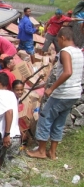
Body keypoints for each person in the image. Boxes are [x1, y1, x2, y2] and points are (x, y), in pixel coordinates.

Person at [27, 27, 84, 160]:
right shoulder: (79, 52)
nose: (57, 43)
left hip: (63, 93)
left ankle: (41, 151)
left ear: (63, 38)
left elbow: (68, 72)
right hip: (74, 93)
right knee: (59, 121)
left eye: (58, 40)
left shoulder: (65, 52)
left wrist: (51, 88)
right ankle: (52, 153)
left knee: (45, 118)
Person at [0, 73, 21, 161]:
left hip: (6, 137)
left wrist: (7, 134)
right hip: (16, 137)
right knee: (8, 168)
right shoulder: (11, 94)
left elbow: (9, 112)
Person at [12, 80, 28, 147]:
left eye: (21, 90)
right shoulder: (12, 100)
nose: (20, 92)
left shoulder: (17, 99)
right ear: (12, 90)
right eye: (17, 90)